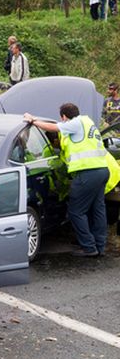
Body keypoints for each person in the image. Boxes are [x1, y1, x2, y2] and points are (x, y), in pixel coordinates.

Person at [25, 104, 112, 256]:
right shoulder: (87, 121)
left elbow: (54, 128)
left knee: (76, 211)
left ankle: (89, 247)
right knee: (98, 209)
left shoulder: (76, 123)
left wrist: (33, 121)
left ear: (64, 117)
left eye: (62, 119)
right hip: (102, 170)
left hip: (87, 173)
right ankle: (100, 246)